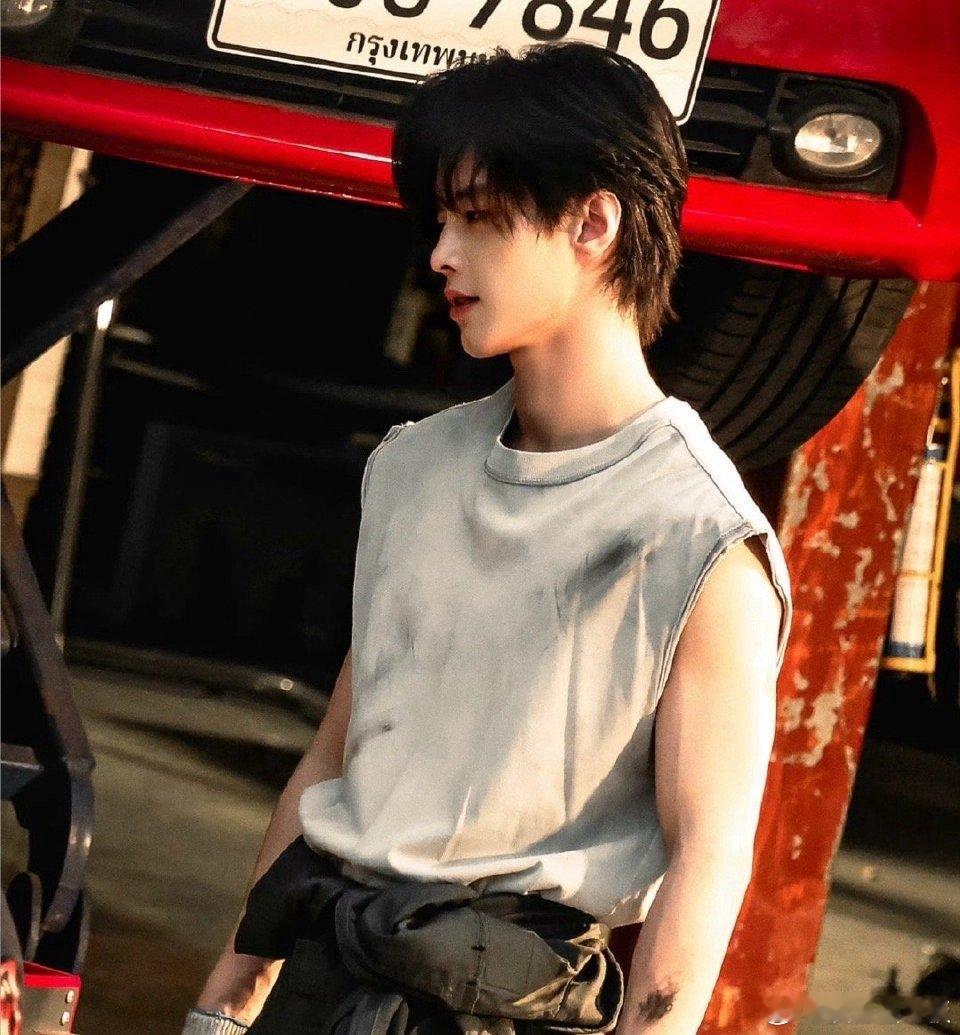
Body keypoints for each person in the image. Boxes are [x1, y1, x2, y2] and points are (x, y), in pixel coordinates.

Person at [183, 41, 792, 1034]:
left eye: (476, 217)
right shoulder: (413, 469)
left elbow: (709, 855)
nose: (440, 254)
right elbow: (334, 758)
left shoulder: (699, 536)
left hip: (499, 1006)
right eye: (440, 220)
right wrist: (227, 999)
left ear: (592, 223)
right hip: (321, 986)